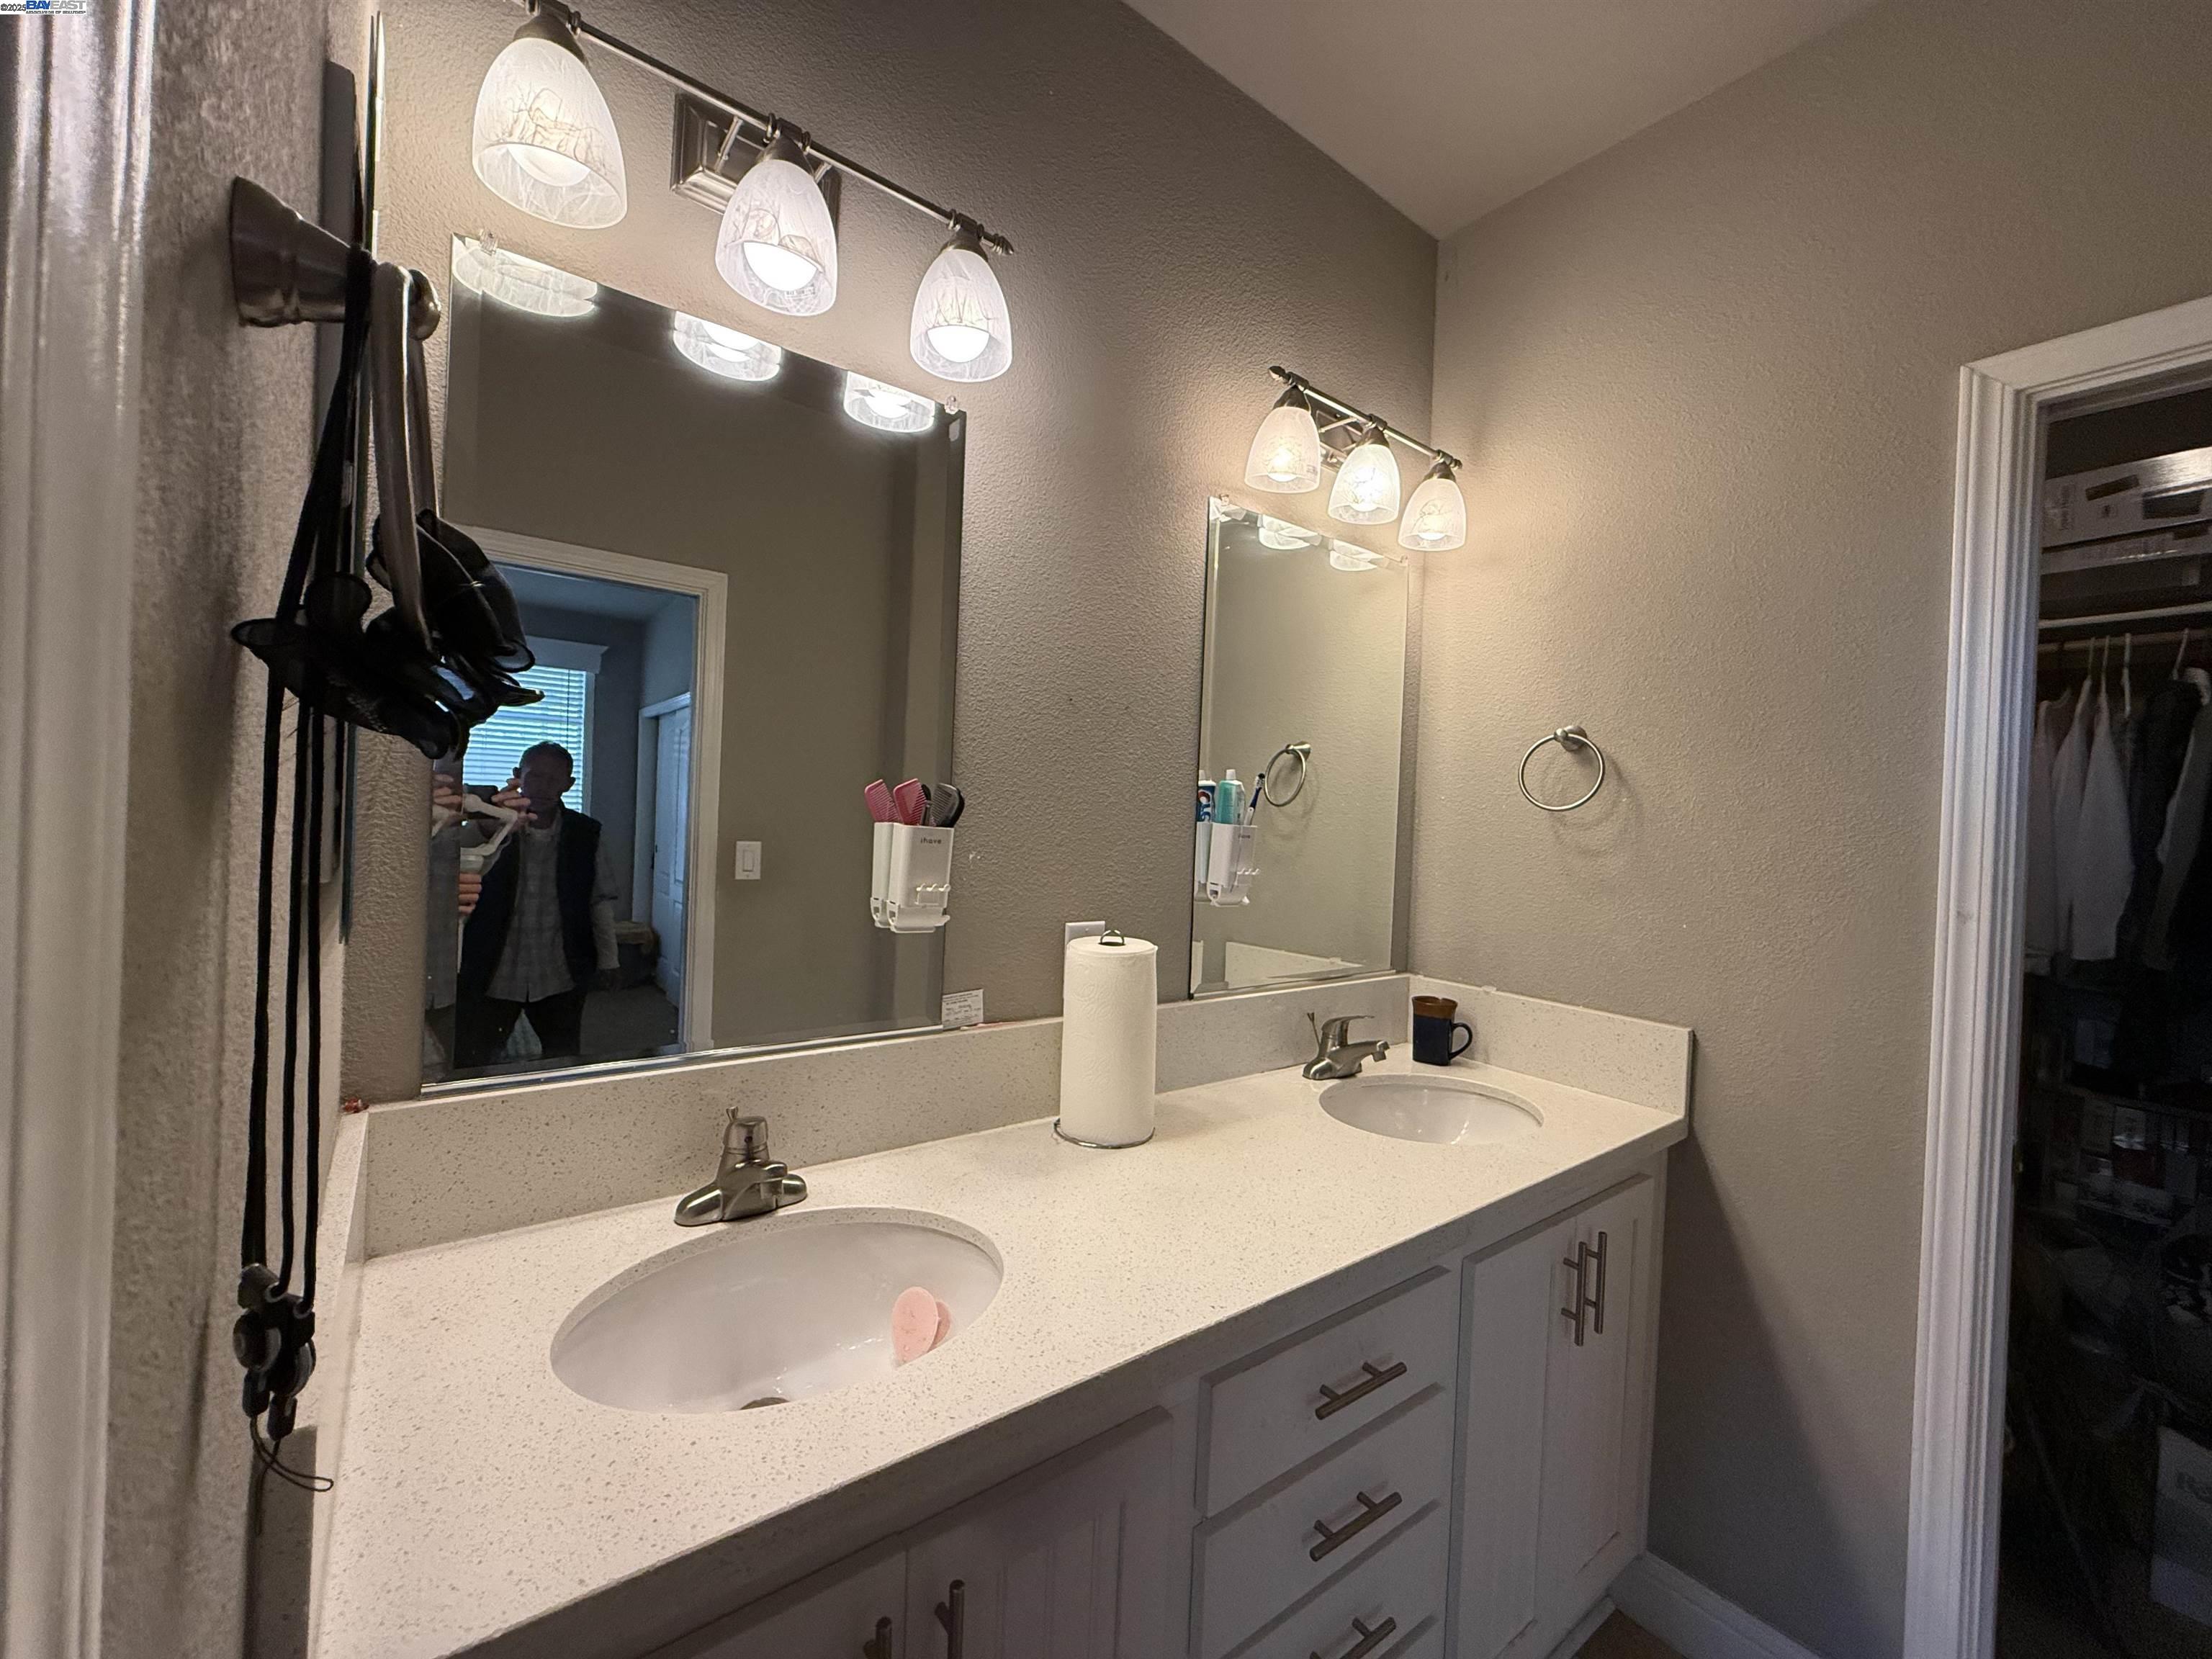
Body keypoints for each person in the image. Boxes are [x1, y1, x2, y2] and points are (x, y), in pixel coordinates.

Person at [453, 742, 620, 1069]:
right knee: (474, 1059)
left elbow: (598, 901)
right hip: (492, 967)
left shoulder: (586, 833)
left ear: (568, 784)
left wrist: (609, 960)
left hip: (560, 969)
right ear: (518, 776)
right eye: (536, 776)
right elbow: (452, 867)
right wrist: (486, 826)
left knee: (563, 1057)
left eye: (554, 779)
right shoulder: (493, 824)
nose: (544, 786)